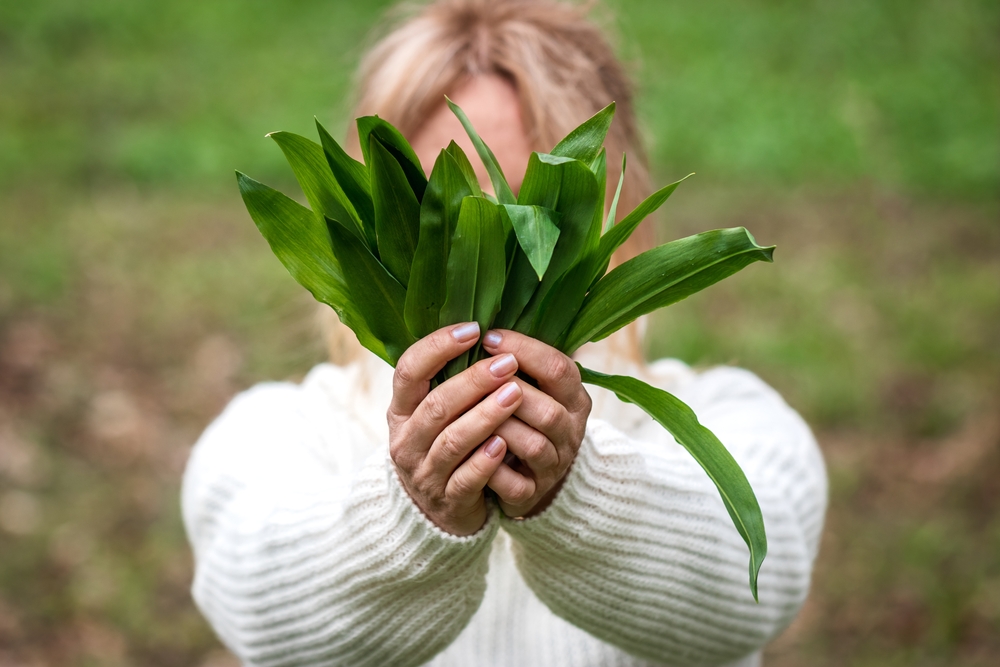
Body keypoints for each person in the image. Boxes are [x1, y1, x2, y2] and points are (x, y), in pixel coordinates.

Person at [181, 1, 828, 666]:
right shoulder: (276, 435)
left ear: (619, 217)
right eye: (442, 213)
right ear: (369, 220)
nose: (489, 263)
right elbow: (255, 596)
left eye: (535, 212)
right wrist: (410, 511)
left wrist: (579, 488)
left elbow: (757, 583)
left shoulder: (735, 422)